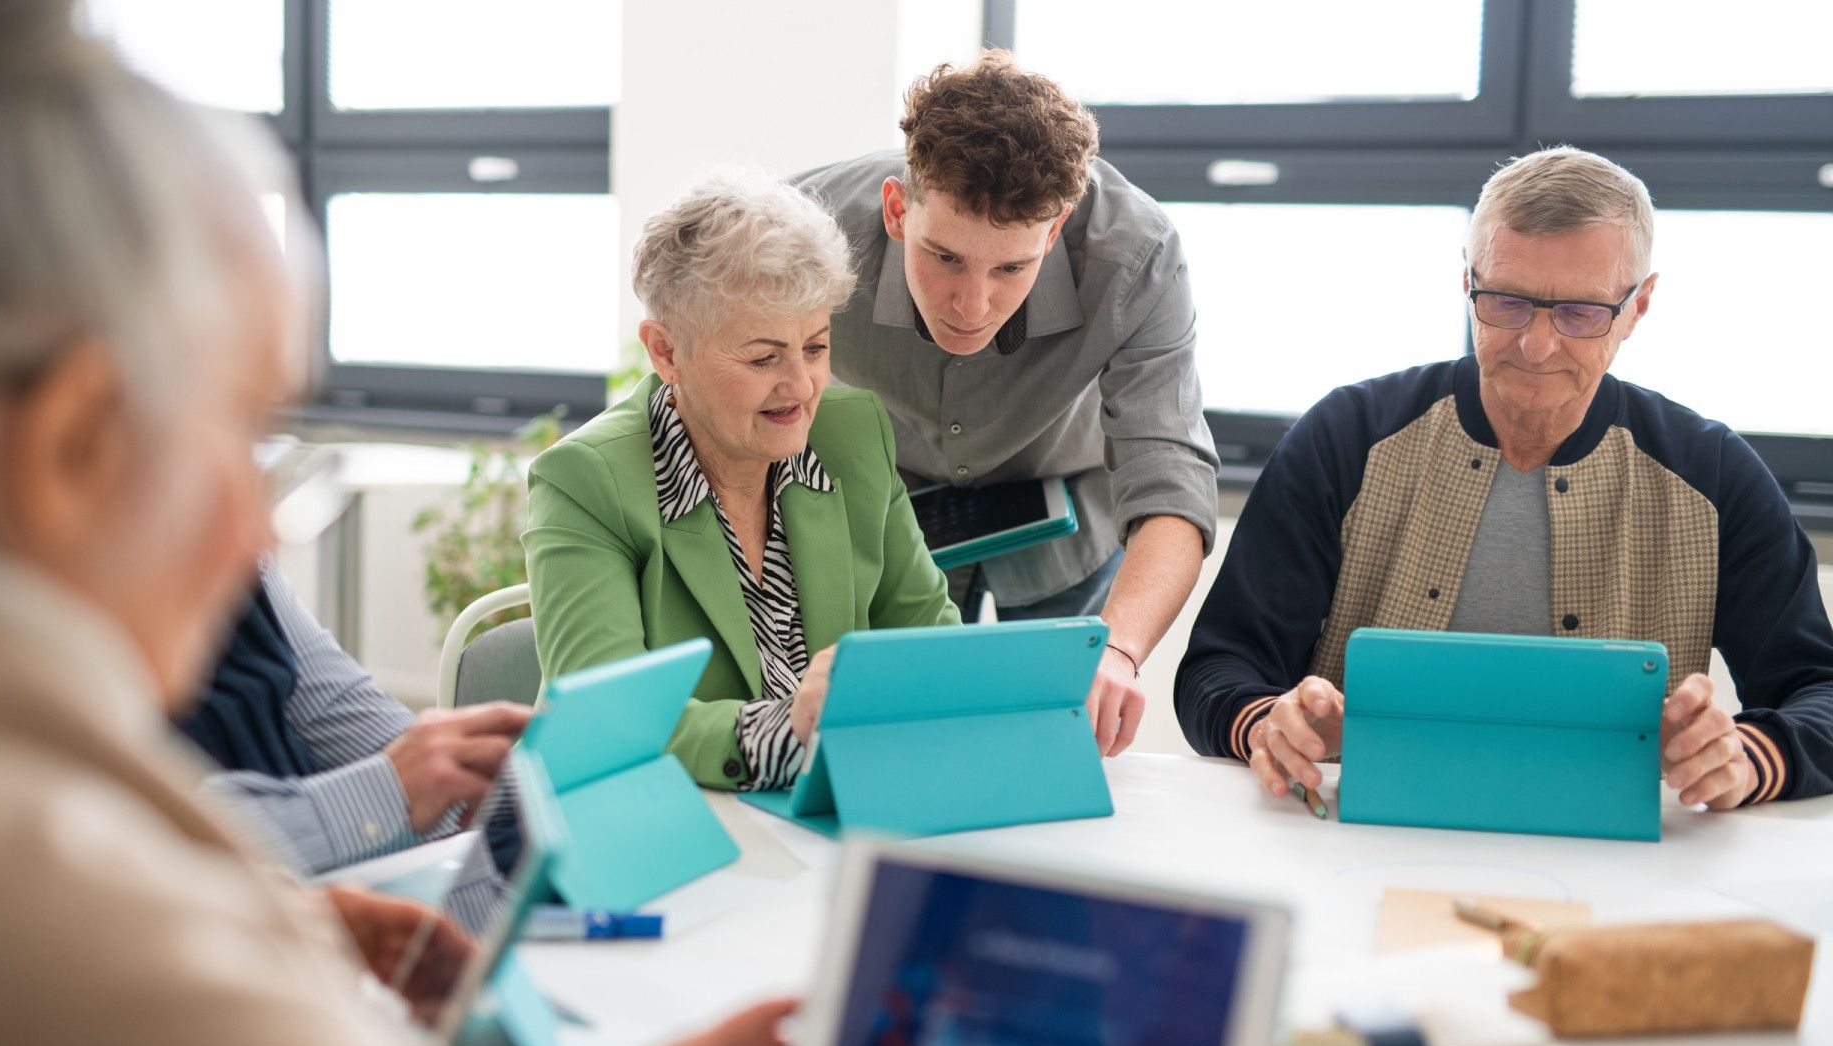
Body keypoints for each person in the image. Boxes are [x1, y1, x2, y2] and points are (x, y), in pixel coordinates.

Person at [0, 3, 791, 1046]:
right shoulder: (82, 911)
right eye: (237, 427)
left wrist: (288, 911)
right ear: (73, 442)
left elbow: (346, 733)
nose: (261, 527)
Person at [1176, 146, 1833, 810]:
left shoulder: (1711, 474)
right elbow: (1217, 670)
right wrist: (1266, 724)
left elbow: (1821, 692)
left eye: (1580, 313)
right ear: (1468, 281)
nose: (1536, 345)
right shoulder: (1346, 437)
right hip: (1360, 825)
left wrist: (1749, 759)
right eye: (1507, 303)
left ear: (1639, 307)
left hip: (1618, 849)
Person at [794, 50, 1220, 756]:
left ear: (1053, 232)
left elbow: (1171, 477)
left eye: (1012, 267)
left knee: (1050, 744)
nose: (972, 304)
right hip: (890, 517)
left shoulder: (1137, 254)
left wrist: (1115, 656)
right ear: (898, 210)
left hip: (1066, 520)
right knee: (887, 742)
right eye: (945, 257)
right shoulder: (804, 229)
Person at [525, 172, 959, 792]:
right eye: (763, 358)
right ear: (667, 352)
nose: (802, 386)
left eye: (815, 347)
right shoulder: (587, 480)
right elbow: (606, 717)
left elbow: (933, 648)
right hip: (674, 821)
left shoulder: (853, 437)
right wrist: (788, 730)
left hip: (833, 814)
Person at [182, 559, 528, 878]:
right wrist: (391, 791)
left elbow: (336, 705)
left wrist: (506, 788)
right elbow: (152, 842)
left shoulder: (244, 571)